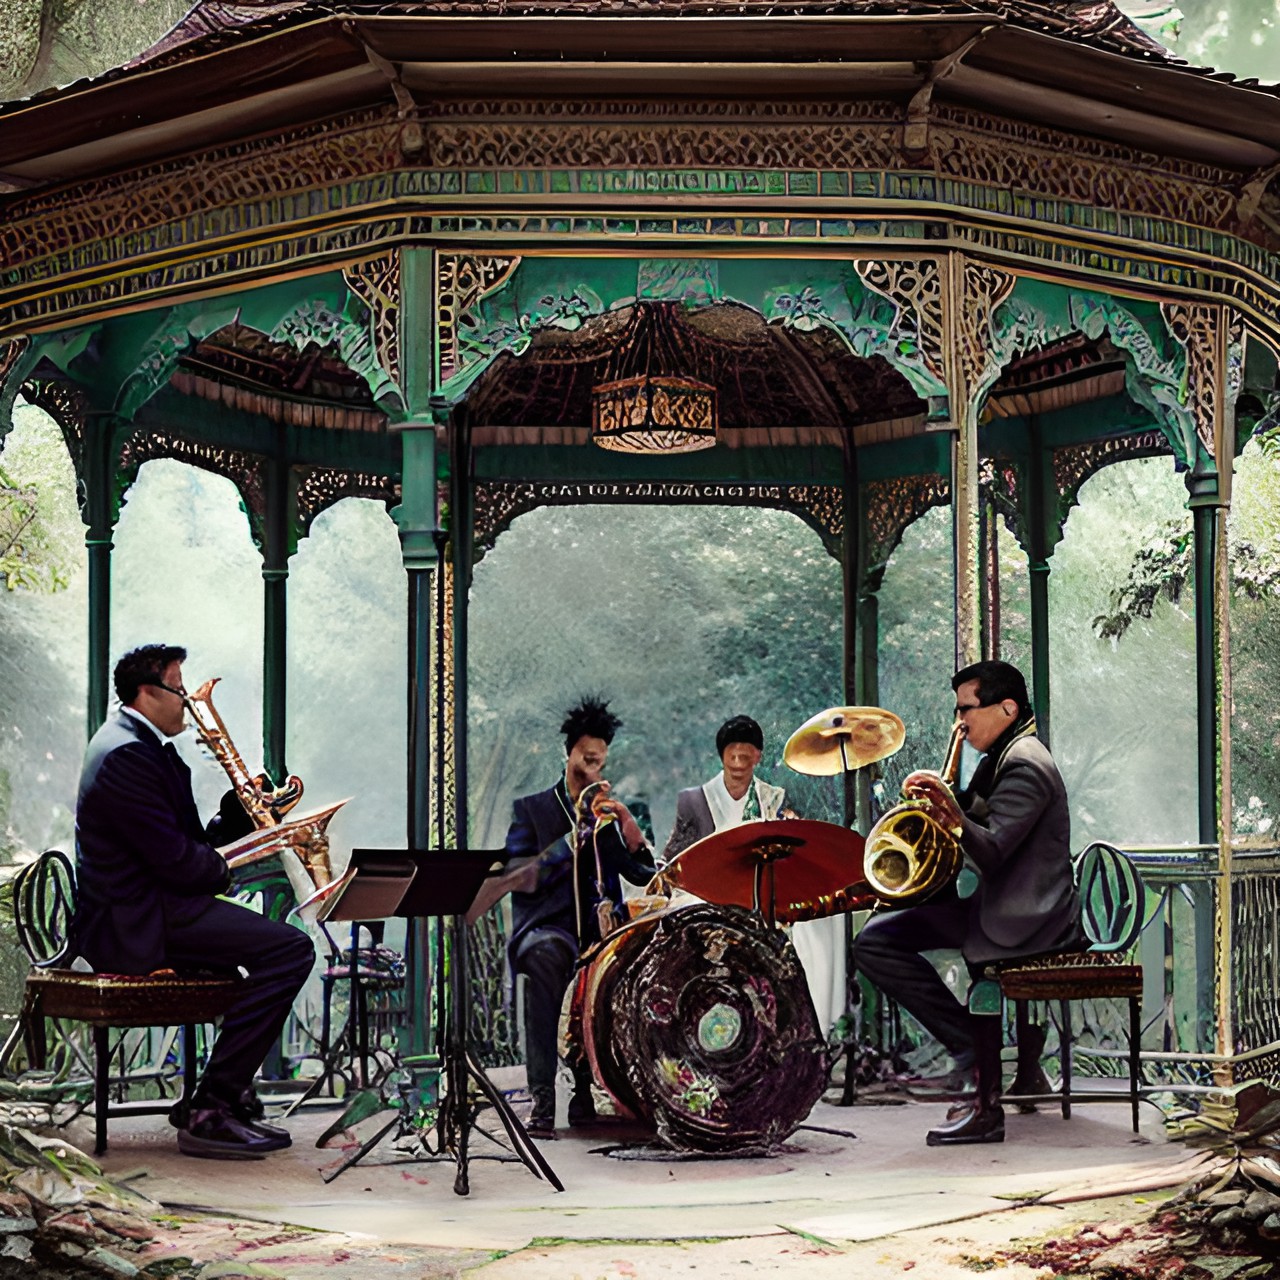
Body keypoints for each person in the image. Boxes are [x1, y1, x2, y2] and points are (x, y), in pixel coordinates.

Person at [72, 644, 315, 1160]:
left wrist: (241, 812)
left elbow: (185, 843)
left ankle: (220, 1098)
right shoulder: (128, 755)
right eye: (180, 690)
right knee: (291, 951)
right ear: (146, 692)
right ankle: (211, 1108)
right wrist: (233, 865)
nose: (188, 701)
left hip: (151, 906)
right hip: (137, 920)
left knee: (263, 956)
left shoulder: (135, 743)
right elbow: (179, 864)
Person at [851, 660, 1083, 1147]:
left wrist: (951, 812)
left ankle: (983, 1101)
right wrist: (940, 801)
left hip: (1026, 919)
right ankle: (968, 1049)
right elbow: (976, 815)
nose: (960, 723)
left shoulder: (1025, 762)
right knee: (875, 940)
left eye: (966, 710)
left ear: (1007, 707)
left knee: (881, 941)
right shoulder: (1001, 755)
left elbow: (994, 848)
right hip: (1000, 906)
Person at [504, 696, 655, 1139]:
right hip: (548, 927)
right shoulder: (531, 810)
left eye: (600, 760)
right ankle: (542, 1099)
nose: (593, 768)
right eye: (587, 758)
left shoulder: (610, 811)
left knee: (624, 963)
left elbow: (643, 873)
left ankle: (591, 1094)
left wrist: (625, 821)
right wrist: (574, 839)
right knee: (546, 960)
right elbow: (518, 875)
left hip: (600, 929)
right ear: (569, 753)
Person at [661, 716, 845, 1033]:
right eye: (732, 753)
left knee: (822, 917)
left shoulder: (774, 798)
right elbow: (675, 857)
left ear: (757, 757)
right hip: (711, 896)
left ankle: (814, 1021)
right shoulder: (694, 800)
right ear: (722, 756)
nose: (738, 762)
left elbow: (794, 846)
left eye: (745, 754)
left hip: (764, 893)